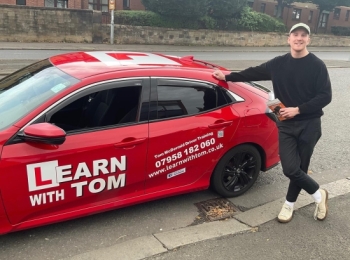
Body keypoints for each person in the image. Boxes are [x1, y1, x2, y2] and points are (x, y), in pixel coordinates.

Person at [212, 23, 332, 223]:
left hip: (309, 124)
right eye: (295, 34)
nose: (299, 38)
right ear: (289, 38)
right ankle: (319, 194)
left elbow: (325, 96)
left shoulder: (316, 65)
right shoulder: (278, 64)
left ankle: (289, 204)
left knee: (301, 168)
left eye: (303, 35)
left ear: (308, 39)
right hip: (286, 125)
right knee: (290, 169)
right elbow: (252, 73)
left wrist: (298, 109)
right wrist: (227, 76)